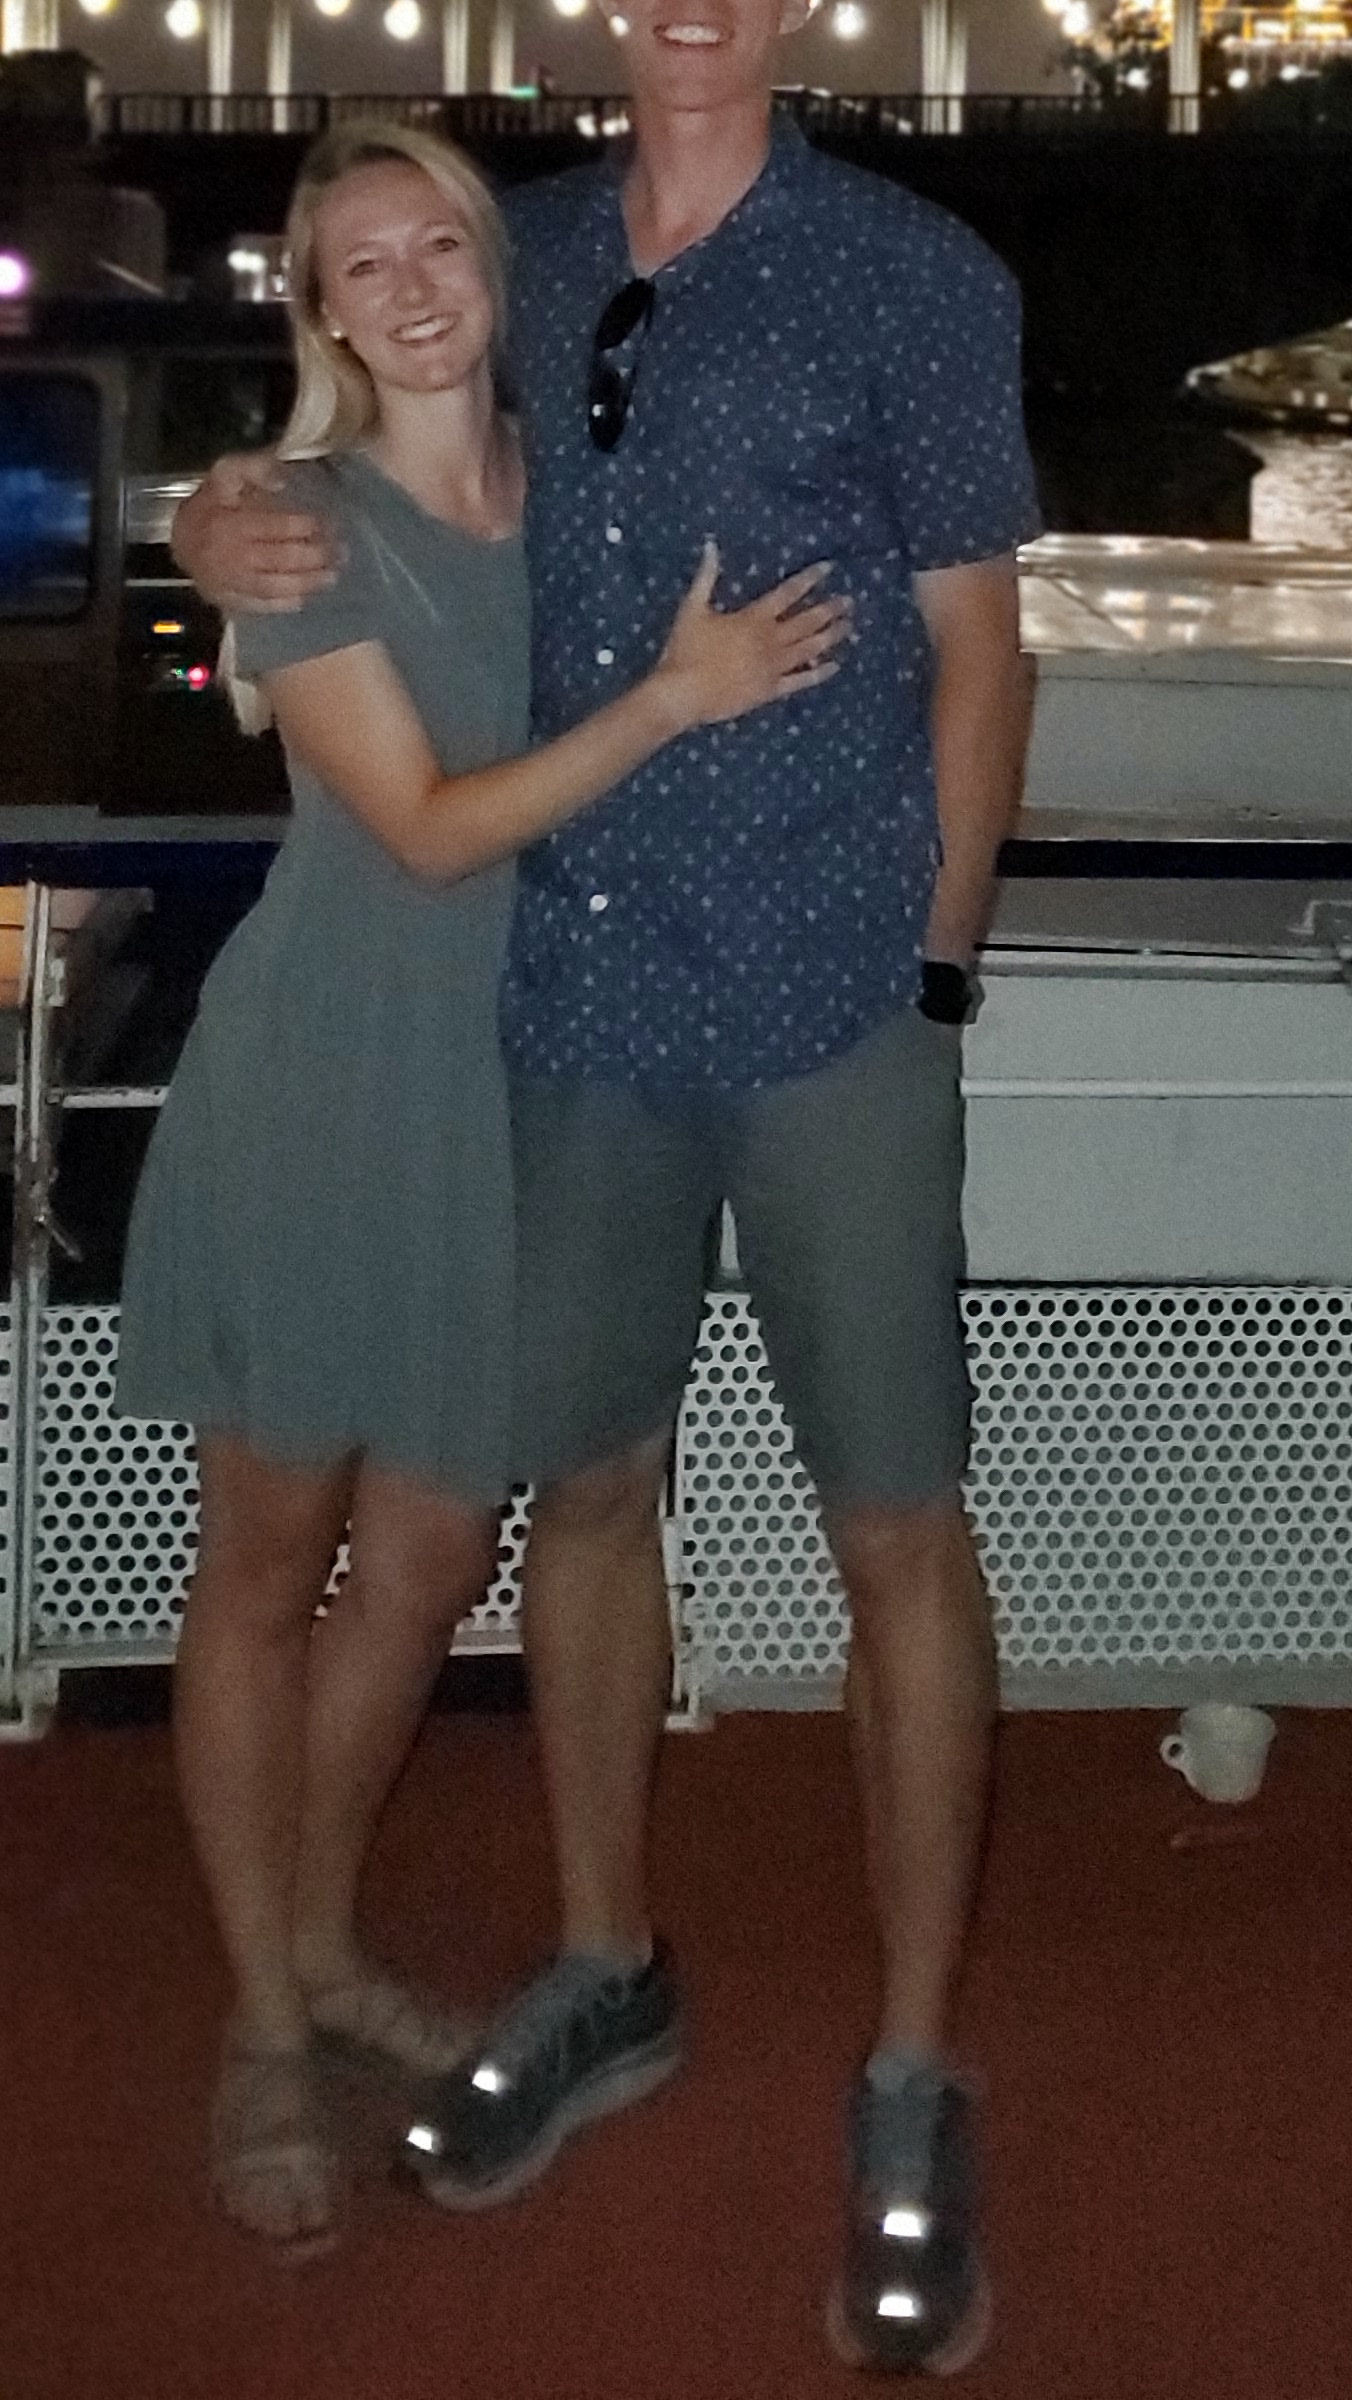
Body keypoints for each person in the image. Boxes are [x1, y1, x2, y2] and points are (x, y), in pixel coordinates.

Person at [176, 0, 1041, 2372]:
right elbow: (348, 438)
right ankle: (598, 1959)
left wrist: (938, 970)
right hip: (566, 1000)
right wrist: (221, 523)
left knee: (898, 1526)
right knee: (582, 1493)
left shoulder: (915, 276)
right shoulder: (514, 250)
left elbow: (982, 657)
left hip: (833, 993)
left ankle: (909, 2062)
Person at [126, 115, 846, 2259]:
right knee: (267, 1561)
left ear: (491, 268)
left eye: (438, 242)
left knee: (431, 1559)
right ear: (322, 312)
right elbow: (432, 832)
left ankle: (323, 1940)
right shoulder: (301, 529)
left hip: (523, 1089)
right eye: (363, 263)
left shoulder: (585, 496)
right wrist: (677, 700)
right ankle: (267, 2021)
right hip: (332, 1075)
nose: (414, 285)